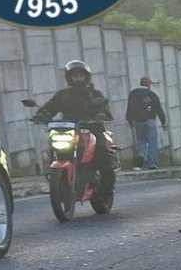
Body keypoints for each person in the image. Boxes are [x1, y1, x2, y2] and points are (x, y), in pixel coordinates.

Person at [32, 59, 117, 199]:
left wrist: (101, 112)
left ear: (86, 77)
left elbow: (105, 109)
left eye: (80, 75)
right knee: (53, 147)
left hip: (92, 128)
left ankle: (107, 185)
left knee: (101, 149)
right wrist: (40, 115)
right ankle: (60, 179)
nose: (78, 78)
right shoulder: (63, 95)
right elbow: (50, 107)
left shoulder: (95, 94)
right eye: (74, 75)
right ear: (69, 77)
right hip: (69, 129)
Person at [124, 75, 166, 170]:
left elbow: (130, 108)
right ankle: (152, 163)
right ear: (148, 84)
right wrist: (163, 122)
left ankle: (141, 157)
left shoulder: (133, 94)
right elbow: (159, 109)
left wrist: (129, 119)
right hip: (150, 120)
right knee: (152, 142)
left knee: (141, 140)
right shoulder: (152, 94)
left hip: (138, 121)